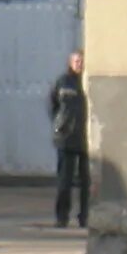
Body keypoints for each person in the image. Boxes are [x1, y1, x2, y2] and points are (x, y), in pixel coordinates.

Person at [50, 48, 92, 230]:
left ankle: (84, 217)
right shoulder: (63, 82)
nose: (79, 64)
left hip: (84, 138)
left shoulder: (87, 82)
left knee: (85, 182)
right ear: (70, 63)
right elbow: (53, 106)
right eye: (76, 61)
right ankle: (62, 218)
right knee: (64, 181)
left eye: (81, 61)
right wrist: (60, 126)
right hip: (66, 138)